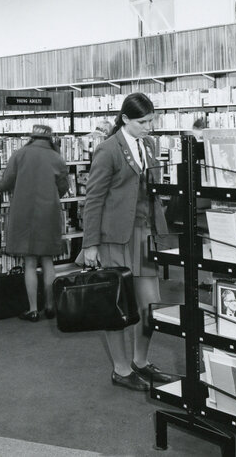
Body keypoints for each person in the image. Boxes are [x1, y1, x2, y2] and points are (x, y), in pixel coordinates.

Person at [80, 92, 173, 392]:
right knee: (117, 305)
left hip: (144, 234)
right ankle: (121, 369)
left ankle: (141, 362)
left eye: (151, 121)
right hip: (115, 238)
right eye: (143, 122)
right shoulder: (107, 150)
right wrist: (89, 244)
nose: (149, 126)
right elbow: (93, 200)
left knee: (150, 307)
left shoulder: (148, 145)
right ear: (125, 119)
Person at [0, 124, 69, 322]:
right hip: (49, 212)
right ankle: (50, 305)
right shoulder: (57, 157)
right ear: (50, 138)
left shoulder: (20, 154)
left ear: (31, 137)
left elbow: (6, 183)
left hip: (24, 212)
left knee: (29, 262)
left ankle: (33, 309)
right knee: (48, 261)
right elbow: (63, 187)